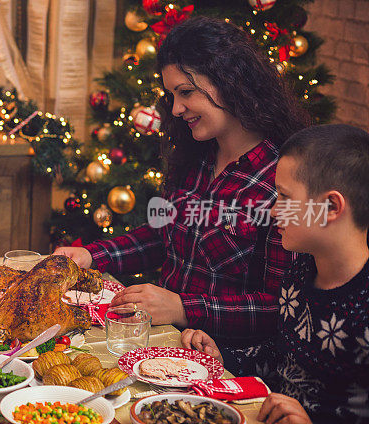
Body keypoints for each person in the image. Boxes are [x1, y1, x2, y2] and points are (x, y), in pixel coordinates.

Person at [55, 16, 307, 364]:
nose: (175, 109)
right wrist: (92, 257)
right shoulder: (195, 157)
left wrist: (181, 307)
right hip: (159, 347)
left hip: (225, 362)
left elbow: (282, 307)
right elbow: (164, 238)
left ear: (231, 82)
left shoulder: (282, 181)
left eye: (185, 92)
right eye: (171, 95)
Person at [181, 124, 369, 423]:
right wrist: (223, 356)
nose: (272, 211)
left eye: (285, 197)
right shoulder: (299, 274)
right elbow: (283, 359)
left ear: (331, 206)